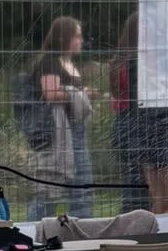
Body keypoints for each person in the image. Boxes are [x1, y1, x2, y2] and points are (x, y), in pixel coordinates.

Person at [29, 15, 94, 220]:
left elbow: (66, 91)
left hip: (76, 129)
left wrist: (82, 93)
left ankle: (82, 228)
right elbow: (50, 93)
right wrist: (81, 94)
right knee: (51, 187)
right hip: (58, 131)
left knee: (83, 184)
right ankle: (34, 228)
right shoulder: (50, 62)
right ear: (64, 37)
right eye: (77, 36)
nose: (80, 41)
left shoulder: (69, 63)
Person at [109, 12, 147, 211]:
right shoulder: (136, 63)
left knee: (131, 179)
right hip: (134, 125)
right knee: (137, 182)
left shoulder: (118, 60)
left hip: (121, 124)